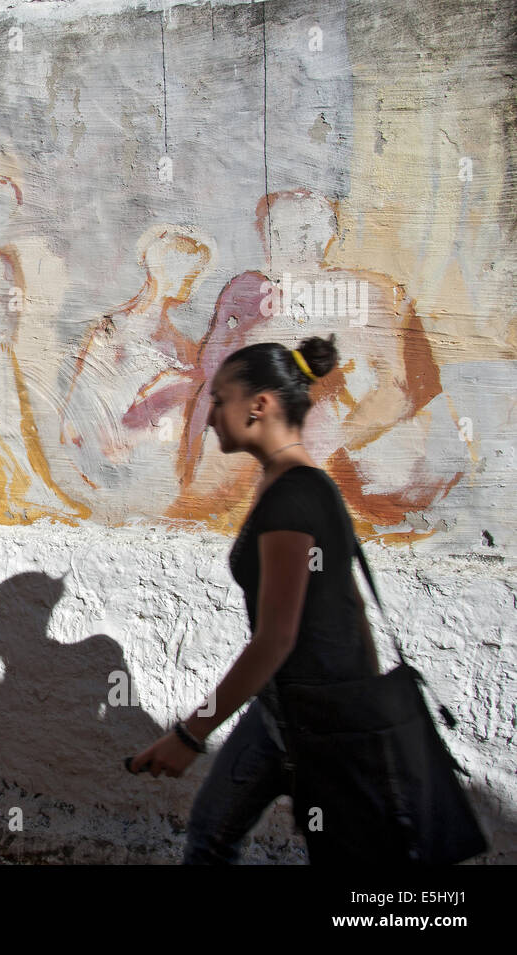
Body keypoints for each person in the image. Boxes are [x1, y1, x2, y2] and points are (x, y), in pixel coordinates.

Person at [128, 334, 380, 864]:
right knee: (211, 838)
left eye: (220, 399)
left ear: (259, 405)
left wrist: (191, 734)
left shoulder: (295, 493)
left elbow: (275, 638)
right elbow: (347, 608)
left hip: (325, 723)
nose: (212, 414)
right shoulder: (291, 483)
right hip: (281, 709)